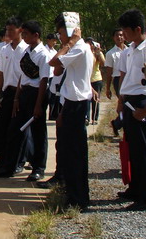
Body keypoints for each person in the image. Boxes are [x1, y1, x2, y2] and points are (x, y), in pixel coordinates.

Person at [0, 20, 51, 181]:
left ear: (35, 35)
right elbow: (22, 77)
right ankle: (8, 166)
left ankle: (38, 168)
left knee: (37, 133)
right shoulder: (27, 52)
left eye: (26, 34)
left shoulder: (43, 54)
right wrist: (17, 98)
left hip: (36, 94)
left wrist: (38, 105)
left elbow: (44, 80)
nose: (24, 37)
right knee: (14, 131)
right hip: (22, 93)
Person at [48, 14, 93, 210]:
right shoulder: (76, 49)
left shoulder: (79, 48)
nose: (59, 38)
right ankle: (72, 193)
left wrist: (70, 43)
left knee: (75, 153)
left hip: (76, 105)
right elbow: (58, 71)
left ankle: (78, 198)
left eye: (60, 33)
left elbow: (53, 62)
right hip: (70, 104)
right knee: (68, 151)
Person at [115, 9, 146, 211]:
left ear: (138, 29)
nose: (123, 34)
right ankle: (136, 188)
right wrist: (121, 99)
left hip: (142, 101)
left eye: (126, 30)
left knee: (142, 151)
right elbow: (125, 77)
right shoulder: (128, 50)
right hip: (129, 100)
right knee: (133, 150)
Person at [0, 17, 27, 167]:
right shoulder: (4, 49)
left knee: (18, 129)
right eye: (7, 30)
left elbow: (24, 75)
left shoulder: (26, 49)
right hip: (7, 92)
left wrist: (18, 97)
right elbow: (0, 73)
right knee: (2, 127)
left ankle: (19, 162)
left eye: (12, 30)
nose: (8, 33)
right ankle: (3, 159)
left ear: (20, 30)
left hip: (21, 93)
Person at [85, 38, 105, 125]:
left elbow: (103, 63)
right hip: (87, 79)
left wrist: (98, 53)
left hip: (96, 79)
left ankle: (94, 118)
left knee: (95, 99)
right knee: (87, 99)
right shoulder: (85, 53)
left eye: (91, 44)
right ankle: (87, 117)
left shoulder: (97, 53)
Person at [105, 28, 126, 100]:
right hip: (118, 79)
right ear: (113, 38)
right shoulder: (110, 53)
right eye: (117, 35)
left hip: (129, 78)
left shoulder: (130, 50)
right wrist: (108, 88)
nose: (119, 37)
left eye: (121, 35)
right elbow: (109, 72)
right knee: (122, 101)